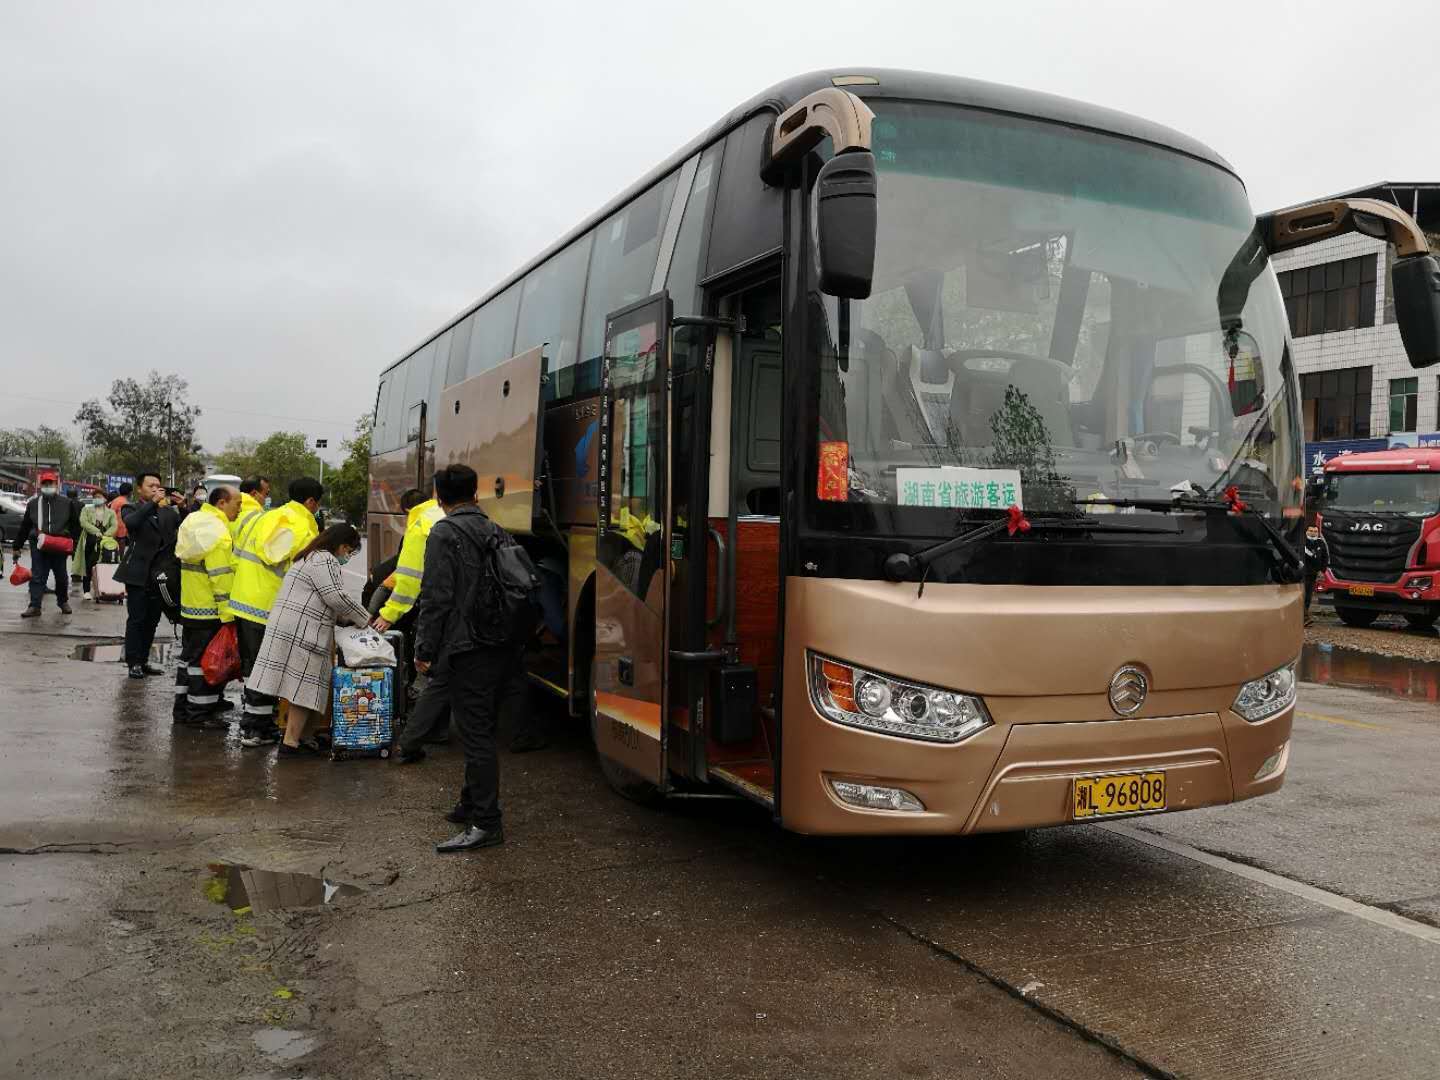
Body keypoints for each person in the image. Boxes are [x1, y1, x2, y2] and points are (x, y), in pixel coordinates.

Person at [416, 464, 526, 853]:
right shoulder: (495, 528)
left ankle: (486, 822)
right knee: (482, 727)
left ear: (438, 496)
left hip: (468, 646)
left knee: (475, 734)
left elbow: (436, 597)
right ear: (475, 493)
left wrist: (425, 649)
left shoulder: (444, 532)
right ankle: (468, 803)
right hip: (502, 643)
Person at [247, 524, 369, 758]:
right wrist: (365, 619)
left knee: (304, 687)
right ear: (341, 546)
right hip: (302, 631)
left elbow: (321, 598)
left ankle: (303, 738)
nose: (347, 556)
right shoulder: (325, 559)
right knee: (304, 688)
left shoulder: (309, 556)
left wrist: (344, 619)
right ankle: (290, 744)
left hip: (291, 626)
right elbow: (335, 596)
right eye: (349, 551)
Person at [230, 476, 324, 747]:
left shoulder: (265, 516)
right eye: (317, 504)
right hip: (269, 605)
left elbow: (238, 554)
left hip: (244, 598)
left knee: (254, 667)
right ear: (310, 502)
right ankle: (255, 729)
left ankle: (256, 724)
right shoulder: (304, 526)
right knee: (267, 669)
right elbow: (308, 573)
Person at [173, 486, 240, 727]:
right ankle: (199, 714)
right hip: (210, 609)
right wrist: (228, 615)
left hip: (191, 605)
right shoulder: (219, 532)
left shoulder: (193, 520)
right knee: (206, 663)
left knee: (189, 660)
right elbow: (220, 578)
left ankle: (182, 709)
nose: (239, 509)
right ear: (222, 503)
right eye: (237, 504)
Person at [115, 471, 182, 678]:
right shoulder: (131, 508)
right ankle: (133, 662)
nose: (155, 489)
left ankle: (143, 660)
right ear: (139, 489)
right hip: (138, 572)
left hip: (160, 574)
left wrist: (183, 506)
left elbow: (184, 526)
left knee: (152, 620)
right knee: (137, 619)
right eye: (150, 486)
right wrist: (152, 503)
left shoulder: (167, 512)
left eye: (158, 486)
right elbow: (132, 523)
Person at [11, 471, 81, 618]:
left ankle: (63, 602)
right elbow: (25, 526)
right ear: (40, 485)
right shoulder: (33, 504)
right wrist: (17, 546)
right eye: (45, 483)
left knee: (61, 576)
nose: (48, 486)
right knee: (37, 575)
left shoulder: (67, 503)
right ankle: (34, 606)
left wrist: (74, 545)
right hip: (38, 545)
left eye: (51, 483)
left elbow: (75, 526)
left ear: (57, 484)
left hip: (59, 545)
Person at [74, 491, 119, 600]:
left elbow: (114, 526)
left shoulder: (111, 512)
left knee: (103, 565)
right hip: (89, 540)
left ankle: (101, 589)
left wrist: (106, 534)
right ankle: (86, 590)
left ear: (105, 499)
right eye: (95, 497)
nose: (96, 499)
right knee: (88, 565)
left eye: (99, 497)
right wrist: (96, 531)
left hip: (105, 542)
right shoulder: (86, 510)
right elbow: (83, 522)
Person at [1303, 524, 1329, 626]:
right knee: (1302, 596)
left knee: (1308, 597)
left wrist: (1322, 570)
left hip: (1313, 575)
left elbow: (1325, 557)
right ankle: (1304, 618)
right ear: (1306, 532)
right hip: (1303, 574)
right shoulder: (1303, 542)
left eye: (1315, 531)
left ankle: (1304, 618)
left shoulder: (1320, 543)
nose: (1313, 533)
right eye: (1311, 531)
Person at [233, 477, 269, 547]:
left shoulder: (228, 509)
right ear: (254, 493)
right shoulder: (258, 516)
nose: (266, 498)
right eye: (266, 493)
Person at [109, 482, 132, 558]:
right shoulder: (125, 502)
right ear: (129, 492)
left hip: (114, 529)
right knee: (120, 552)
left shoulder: (116, 500)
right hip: (121, 531)